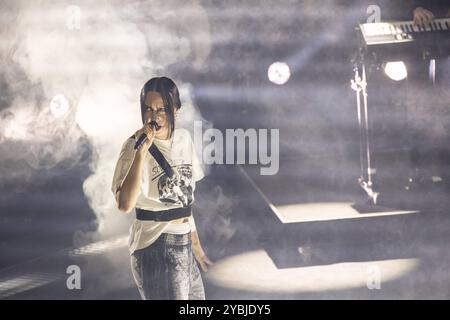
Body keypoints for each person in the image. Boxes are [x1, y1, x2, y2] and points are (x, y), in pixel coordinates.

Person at [111, 76, 213, 300]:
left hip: (183, 241)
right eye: (148, 109)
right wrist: (142, 152)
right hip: (155, 245)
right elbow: (124, 204)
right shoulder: (133, 146)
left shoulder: (184, 139)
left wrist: (195, 244)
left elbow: (184, 198)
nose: (154, 117)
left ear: (175, 110)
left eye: (161, 110)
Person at [404, 1, 450, 190]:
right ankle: (419, 173)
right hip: (417, 39)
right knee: (419, 110)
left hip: (445, 40)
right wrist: (413, 9)